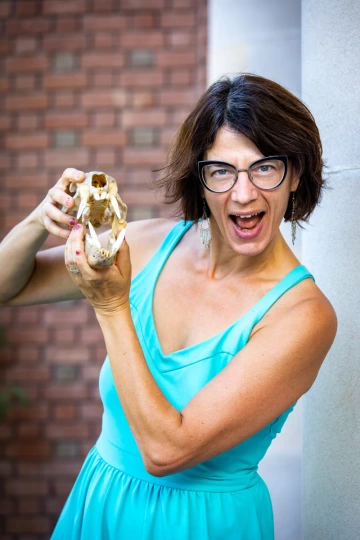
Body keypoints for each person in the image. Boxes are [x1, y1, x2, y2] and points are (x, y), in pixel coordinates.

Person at [0, 73, 337, 539]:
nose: (243, 193)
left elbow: (166, 452)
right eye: (221, 171)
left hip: (205, 526)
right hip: (99, 507)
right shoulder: (146, 243)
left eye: (265, 167)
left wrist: (111, 305)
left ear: (296, 173)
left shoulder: (303, 316)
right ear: (200, 181)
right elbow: (7, 287)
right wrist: (40, 219)